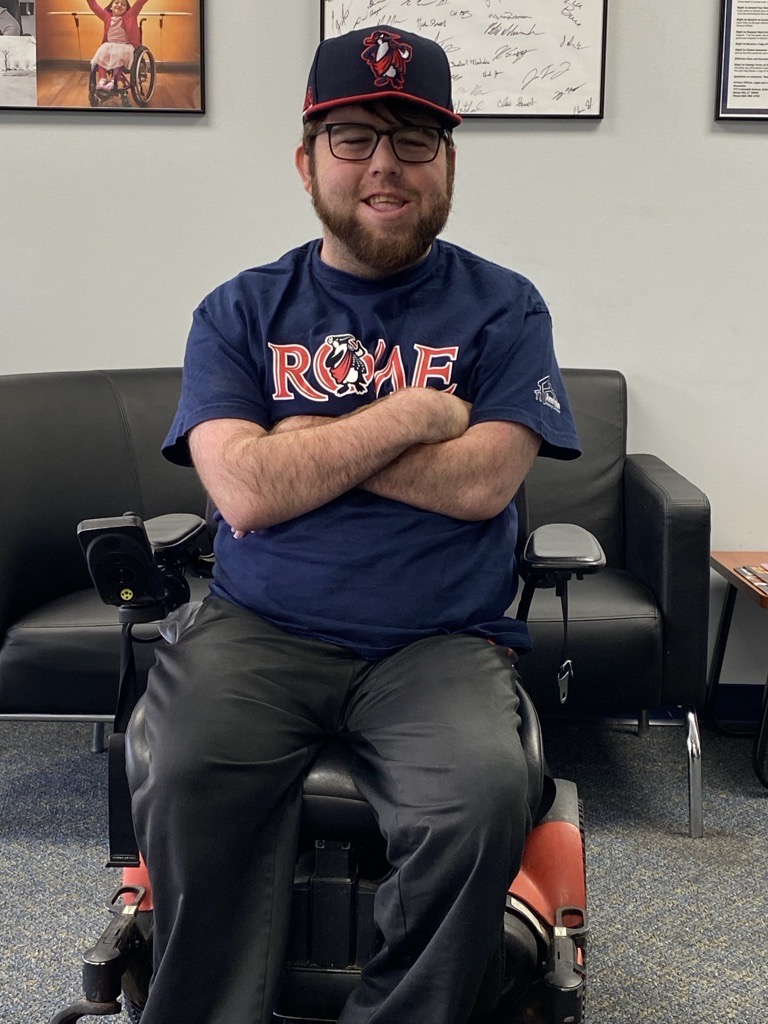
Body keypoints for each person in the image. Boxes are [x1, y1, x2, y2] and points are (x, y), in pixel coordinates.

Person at [131, 24, 581, 1024]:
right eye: (355, 137)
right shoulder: (238, 314)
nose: (385, 164)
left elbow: (481, 486)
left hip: (440, 645)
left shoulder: (504, 309)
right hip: (259, 634)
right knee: (179, 765)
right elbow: (243, 493)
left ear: (448, 163)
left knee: (477, 795)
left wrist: (307, 447)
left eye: (414, 138)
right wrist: (416, 415)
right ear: (307, 162)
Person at [85, 0, 149, 93]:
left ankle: (113, 81)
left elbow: (140, 2)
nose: (119, 5)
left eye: (123, 4)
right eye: (116, 3)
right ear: (111, 7)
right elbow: (94, 6)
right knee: (101, 55)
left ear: (127, 9)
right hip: (110, 45)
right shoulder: (106, 16)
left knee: (118, 56)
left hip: (125, 46)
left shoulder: (130, 15)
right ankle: (102, 79)